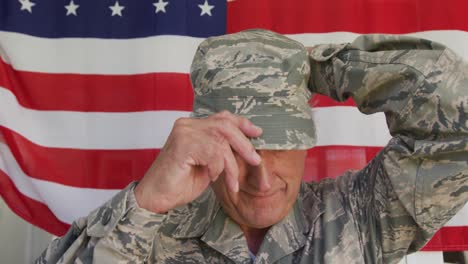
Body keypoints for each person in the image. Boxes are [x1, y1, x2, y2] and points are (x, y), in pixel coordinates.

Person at [35, 30, 467, 264]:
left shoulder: (356, 216)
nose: (262, 177)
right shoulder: (147, 230)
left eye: (281, 146)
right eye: (240, 150)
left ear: (307, 143)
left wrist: (317, 69)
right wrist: (147, 202)